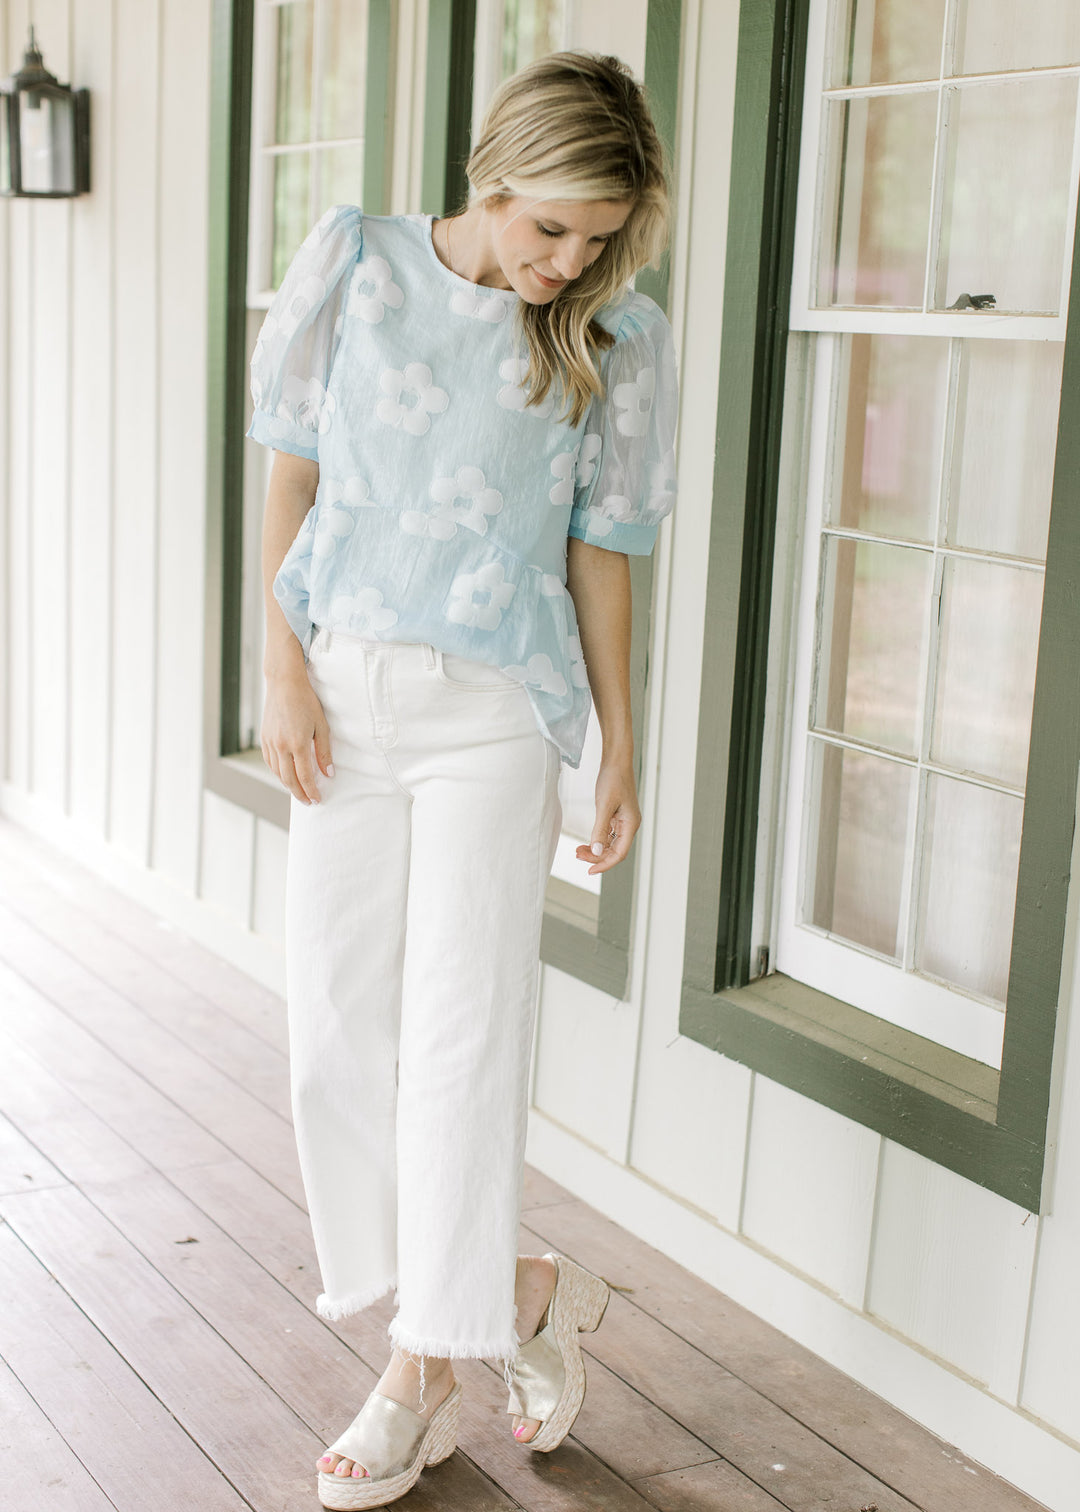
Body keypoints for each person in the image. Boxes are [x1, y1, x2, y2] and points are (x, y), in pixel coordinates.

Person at [249, 49, 678, 1511]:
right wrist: (284, 662)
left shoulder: (616, 336)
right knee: (331, 1038)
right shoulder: (359, 265)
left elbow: (604, 552)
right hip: (346, 697)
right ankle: (514, 1287)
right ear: (492, 177)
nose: (569, 263)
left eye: (600, 237)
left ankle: (420, 1379)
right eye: (551, 227)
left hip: (497, 714)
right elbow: (292, 469)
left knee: (459, 1047)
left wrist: (622, 741)